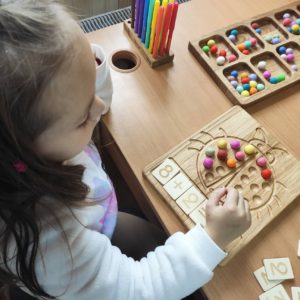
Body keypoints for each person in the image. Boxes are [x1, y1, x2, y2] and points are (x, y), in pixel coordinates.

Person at [0, 1, 251, 299]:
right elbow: (136, 289)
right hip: (75, 283)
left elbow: (74, 98)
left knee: (154, 233)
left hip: (97, 225)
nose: (101, 107)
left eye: (92, 91)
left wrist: (83, 74)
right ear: (23, 151)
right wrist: (212, 238)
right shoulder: (51, 243)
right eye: (83, 118)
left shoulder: (30, 142)